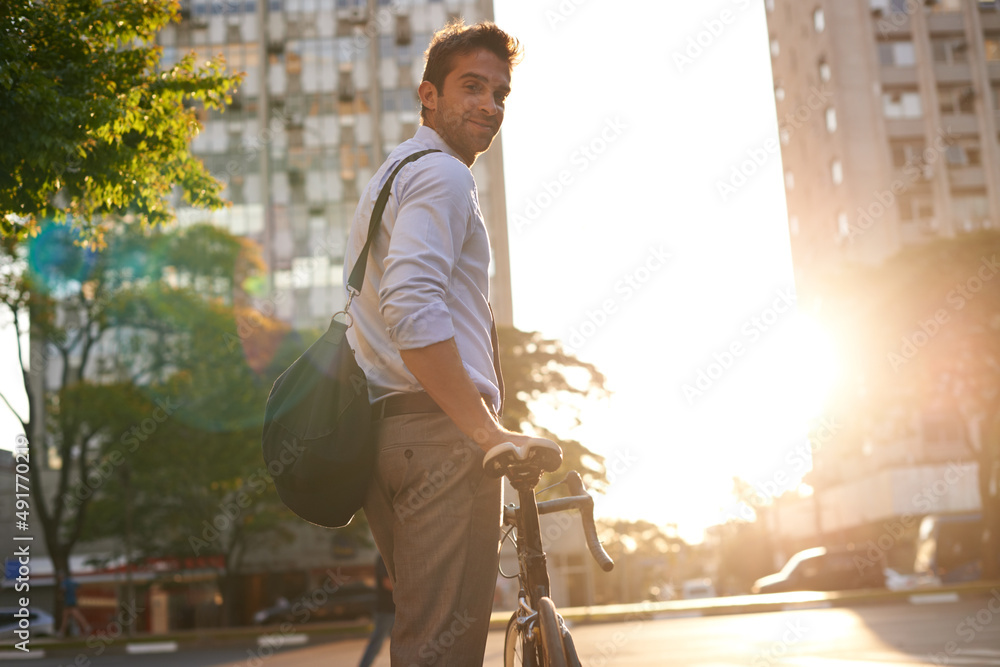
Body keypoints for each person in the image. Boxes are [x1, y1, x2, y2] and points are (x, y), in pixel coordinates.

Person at [343, 19, 560, 666]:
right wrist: (487, 432)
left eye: (500, 94)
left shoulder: (392, 174)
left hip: (387, 436)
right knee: (441, 653)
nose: (489, 106)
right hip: (439, 435)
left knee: (421, 638)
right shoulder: (442, 175)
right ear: (428, 95)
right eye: (472, 87)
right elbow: (410, 305)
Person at [358, 554, 395, 667]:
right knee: (377, 642)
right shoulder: (384, 557)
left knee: (399, 643)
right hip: (386, 609)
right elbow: (387, 583)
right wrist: (405, 592)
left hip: (393, 608)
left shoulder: (390, 555)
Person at [59, 574, 92, 638]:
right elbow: (79, 585)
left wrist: (61, 595)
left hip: (68, 603)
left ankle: (86, 627)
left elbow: (63, 589)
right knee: (66, 617)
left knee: (73, 616)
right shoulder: (71, 582)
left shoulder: (63, 583)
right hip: (73, 601)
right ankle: (61, 632)